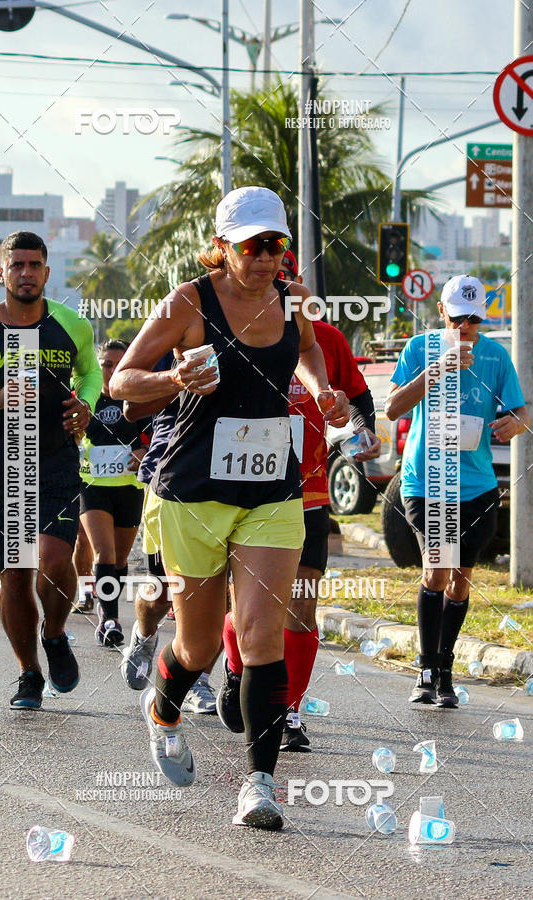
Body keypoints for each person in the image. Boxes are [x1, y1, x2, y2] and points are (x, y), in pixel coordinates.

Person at [110, 186, 350, 830]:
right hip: (192, 491)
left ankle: (260, 785)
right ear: (221, 248)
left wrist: (322, 390)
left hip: (271, 487)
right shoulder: (188, 302)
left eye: (277, 244)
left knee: (260, 633)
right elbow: (121, 381)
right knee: (197, 647)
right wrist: (173, 379)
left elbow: (305, 349)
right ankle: (163, 708)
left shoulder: (293, 298)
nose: (269, 257)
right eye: (254, 246)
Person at [218, 249, 381, 751]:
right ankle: (236, 665)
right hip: (241, 494)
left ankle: (287, 711)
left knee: (302, 607)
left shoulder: (325, 339)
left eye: (286, 274)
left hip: (306, 494)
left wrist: (361, 429)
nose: (276, 281)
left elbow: (360, 396)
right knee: (246, 608)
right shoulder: (230, 329)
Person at [0, 231, 101, 709]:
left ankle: (56, 633)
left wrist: (85, 404)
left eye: (34, 265)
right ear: (1, 273)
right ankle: (29, 673)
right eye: (17, 265)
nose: (26, 273)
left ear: (47, 273)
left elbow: (92, 373)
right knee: (16, 574)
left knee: (53, 561)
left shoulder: (70, 325)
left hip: (54, 464)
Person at [385, 275, 529, 707]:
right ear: (441, 312)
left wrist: (516, 421)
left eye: (474, 319)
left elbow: (520, 408)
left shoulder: (496, 356)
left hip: (477, 485)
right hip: (428, 482)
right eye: (459, 317)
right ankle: (425, 670)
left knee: (461, 581)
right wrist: (435, 371)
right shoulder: (419, 349)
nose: (466, 326)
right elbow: (391, 407)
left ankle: (444, 672)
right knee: (438, 569)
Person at [120, 368, 219, 715]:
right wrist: (179, 378)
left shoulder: (260, 332)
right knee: (164, 588)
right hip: (171, 477)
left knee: (222, 594)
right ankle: (146, 633)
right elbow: (131, 406)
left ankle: (198, 680)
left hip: (232, 484)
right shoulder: (176, 329)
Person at [79, 339, 147, 648]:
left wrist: (145, 449)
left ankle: (110, 609)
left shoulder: (140, 400)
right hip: (92, 487)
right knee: (103, 553)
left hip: (129, 488)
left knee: (120, 559)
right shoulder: (85, 398)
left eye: (120, 364)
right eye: (107, 364)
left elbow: (157, 435)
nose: (113, 370)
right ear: (98, 366)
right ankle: (110, 620)